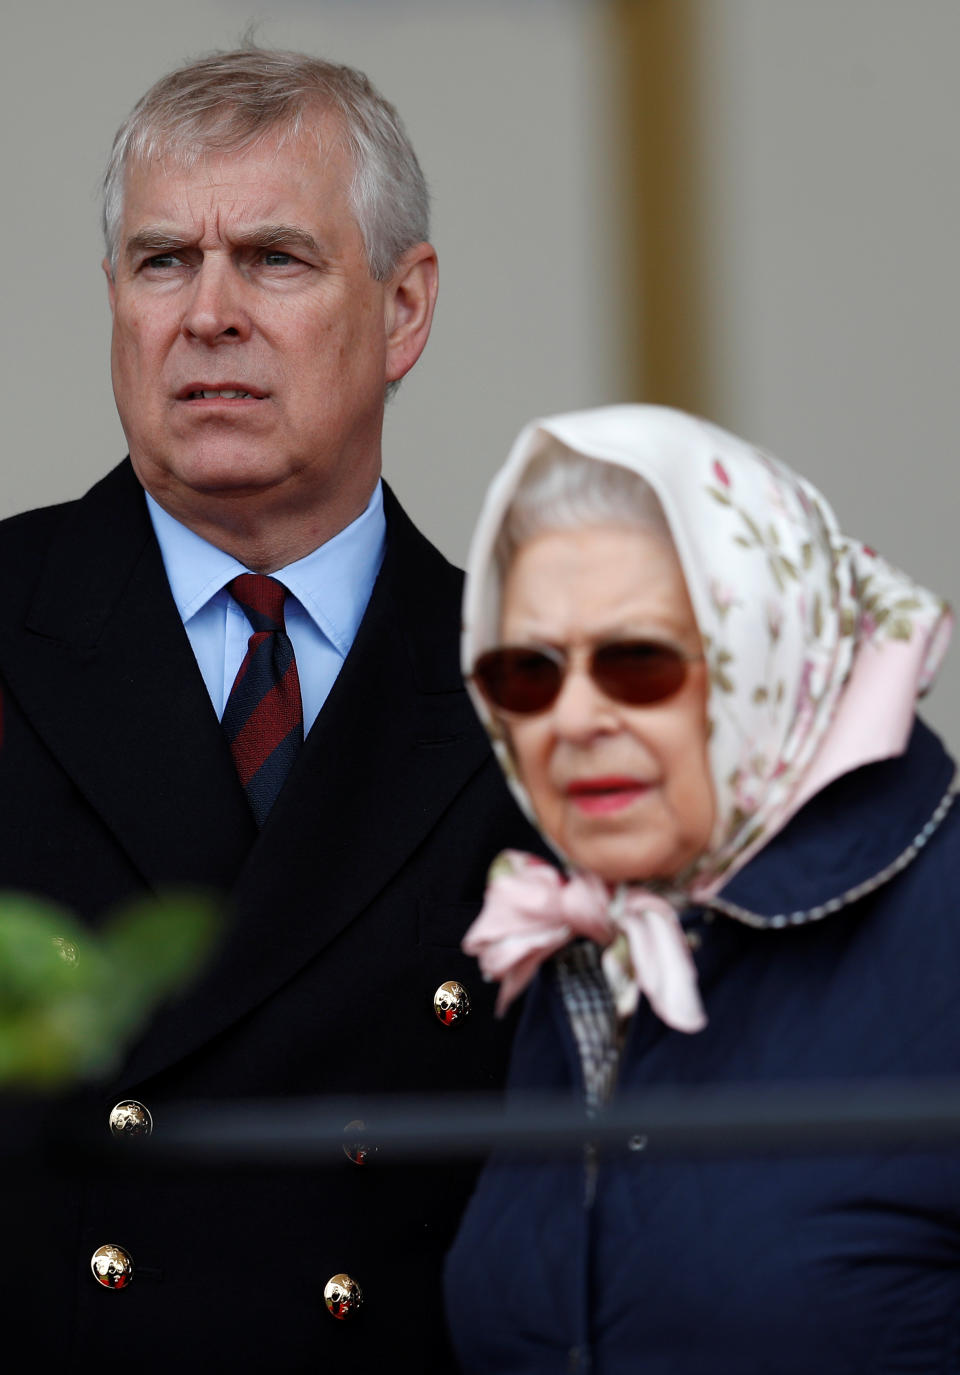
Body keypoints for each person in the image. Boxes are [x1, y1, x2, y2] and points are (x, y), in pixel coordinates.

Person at [0, 46, 545, 1371]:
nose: (209, 313)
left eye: (277, 259)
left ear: (404, 307)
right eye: (163, 260)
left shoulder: (538, 683)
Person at [444, 403, 960, 1373]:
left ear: (771, 652)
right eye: (528, 673)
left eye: (637, 661)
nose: (576, 716)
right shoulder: (572, 940)